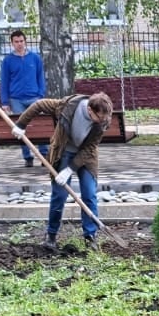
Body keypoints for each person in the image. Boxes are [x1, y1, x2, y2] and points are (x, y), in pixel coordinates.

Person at [12, 92, 113, 251]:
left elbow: (89, 149)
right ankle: (51, 235)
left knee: (89, 194)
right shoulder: (67, 106)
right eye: (98, 117)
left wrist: (69, 170)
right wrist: (21, 124)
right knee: (59, 194)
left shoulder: (103, 120)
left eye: (103, 118)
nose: (101, 121)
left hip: (86, 156)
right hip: (63, 152)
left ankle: (90, 236)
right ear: (89, 110)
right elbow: (39, 105)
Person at [0, 29, 49, 167]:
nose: (19, 44)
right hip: (16, 100)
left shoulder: (35, 58)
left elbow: (41, 78)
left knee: (40, 127)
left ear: (25, 41)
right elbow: (4, 82)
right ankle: (27, 157)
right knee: (20, 129)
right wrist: (5, 102)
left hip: (34, 98)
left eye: (21, 41)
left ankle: (44, 155)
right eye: (16, 42)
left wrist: (40, 95)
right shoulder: (8, 61)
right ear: (12, 43)